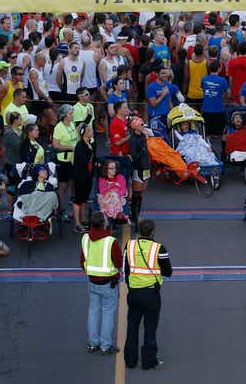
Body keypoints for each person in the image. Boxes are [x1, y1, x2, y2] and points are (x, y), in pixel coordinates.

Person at [124, 218, 173, 370]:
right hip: (151, 293)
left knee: (132, 326)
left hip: (133, 292)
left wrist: (131, 284)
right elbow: (168, 272)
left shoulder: (129, 246)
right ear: (153, 232)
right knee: (150, 327)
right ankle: (148, 361)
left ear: (140, 230)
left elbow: (126, 269)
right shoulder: (159, 249)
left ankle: (130, 360)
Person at [81, 211, 123, 355]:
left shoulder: (85, 238)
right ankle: (105, 345)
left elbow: (82, 260)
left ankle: (93, 343)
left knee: (93, 312)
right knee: (108, 313)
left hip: (92, 280)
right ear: (105, 224)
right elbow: (118, 262)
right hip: (108, 282)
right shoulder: (111, 241)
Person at [53, 104, 78, 220]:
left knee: (73, 184)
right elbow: (56, 145)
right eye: (70, 113)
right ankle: (60, 210)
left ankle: (73, 209)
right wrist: (70, 147)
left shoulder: (72, 124)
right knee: (63, 186)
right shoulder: (59, 127)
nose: (72, 115)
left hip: (73, 160)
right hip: (63, 160)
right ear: (64, 116)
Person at [128, 115, 151, 229]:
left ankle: (137, 215)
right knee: (136, 195)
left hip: (146, 168)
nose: (143, 127)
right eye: (141, 125)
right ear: (135, 127)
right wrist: (141, 151)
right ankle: (134, 218)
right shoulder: (133, 139)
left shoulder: (142, 136)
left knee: (141, 194)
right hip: (138, 168)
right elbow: (134, 156)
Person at [72, 122, 94, 233]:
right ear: (83, 133)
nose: (92, 131)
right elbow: (83, 162)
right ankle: (77, 223)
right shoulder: (80, 146)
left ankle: (84, 219)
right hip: (81, 176)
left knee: (84, 198)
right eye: (89, 130)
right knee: (78, 199)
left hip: (88, 175)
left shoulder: (89, 143)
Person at [200, 59, 229, 136]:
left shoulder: (204, 79)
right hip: (218, 109)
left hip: (206, 109)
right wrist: (222, 97)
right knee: (218, 134)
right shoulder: (223, 80)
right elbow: (228, 93)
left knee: (207, 133)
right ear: (219, 69)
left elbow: (203, 89)